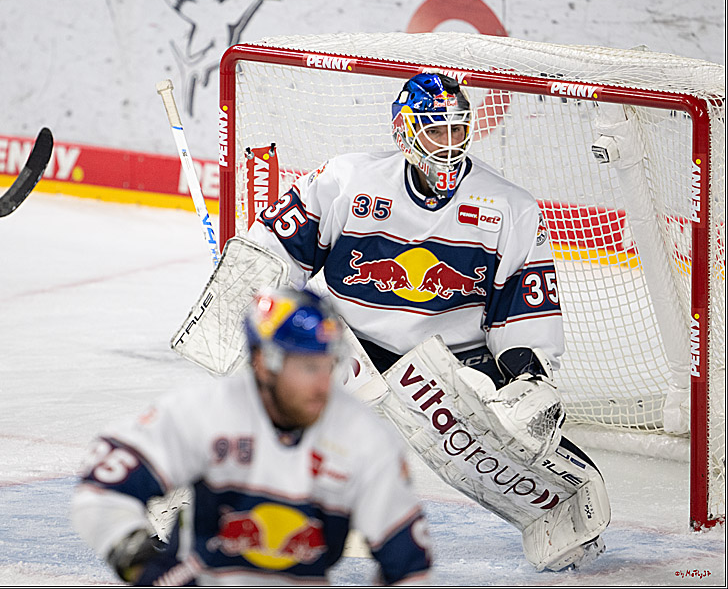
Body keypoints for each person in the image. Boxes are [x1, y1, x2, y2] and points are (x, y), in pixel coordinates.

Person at [241, 73, 609, 571]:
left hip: (448, 363)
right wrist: (252, 276)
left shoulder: (508, 208)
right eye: (437, 131)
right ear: (404, 133)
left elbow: (521, 309)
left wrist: (528, 378)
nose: (450, 144)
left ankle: (561, 515)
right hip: (347, 344)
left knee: (511, 436)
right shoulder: (348, 180)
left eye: (459, 130)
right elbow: (273, 255)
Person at [71, 286, 431, 586]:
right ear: (263, 362)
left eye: (328, 365)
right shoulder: (205, 412)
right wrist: (143, 564)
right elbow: (102, 486)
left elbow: (409, 566)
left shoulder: (364, 438)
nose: (324, 384)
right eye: (307, 367)